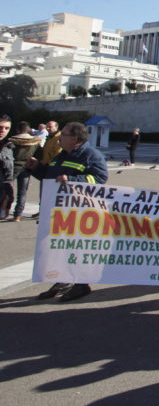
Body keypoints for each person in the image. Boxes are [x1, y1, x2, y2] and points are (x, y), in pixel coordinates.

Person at [26, 121, 108, 302]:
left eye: (63, 134)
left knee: (75, 249)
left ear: (75, 139)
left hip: (77, 212)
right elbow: (50, 177)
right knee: (58, 249)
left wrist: (72, 179)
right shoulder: (62, 155)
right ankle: (62, 280)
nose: (59, 138)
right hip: (57, 210)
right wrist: (37, 168)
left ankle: (81, 285)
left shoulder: (91, 155)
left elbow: (100, 178)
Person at [6, 122, 42, 222]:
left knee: (6, 189)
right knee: (22, 192)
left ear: (17, 130)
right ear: (29, 130)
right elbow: (39, 154)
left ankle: (4, 209)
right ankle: (17, 215)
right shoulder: (35, 141)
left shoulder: (12, 140)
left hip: (13, 167)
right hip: (27, 167)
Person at [0, 116, 13, 220]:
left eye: (6, 128)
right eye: (0, 127)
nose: (3, 131)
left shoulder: (9, 146)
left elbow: (9, 174)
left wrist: (9, 196)